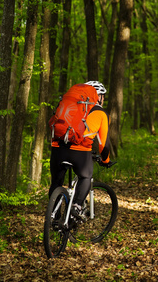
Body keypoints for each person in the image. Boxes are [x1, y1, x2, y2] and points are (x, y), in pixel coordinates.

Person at [49, 81, 113, 221]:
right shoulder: (101, 113)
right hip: (80, 152)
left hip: (58, 148)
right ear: (99, 96)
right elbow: (103, 144)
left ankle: (53, 217)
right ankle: (76, 206)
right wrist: (105, 160)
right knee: (86, 176)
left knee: (56, 182)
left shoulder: (72, 106)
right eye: (103, 96)